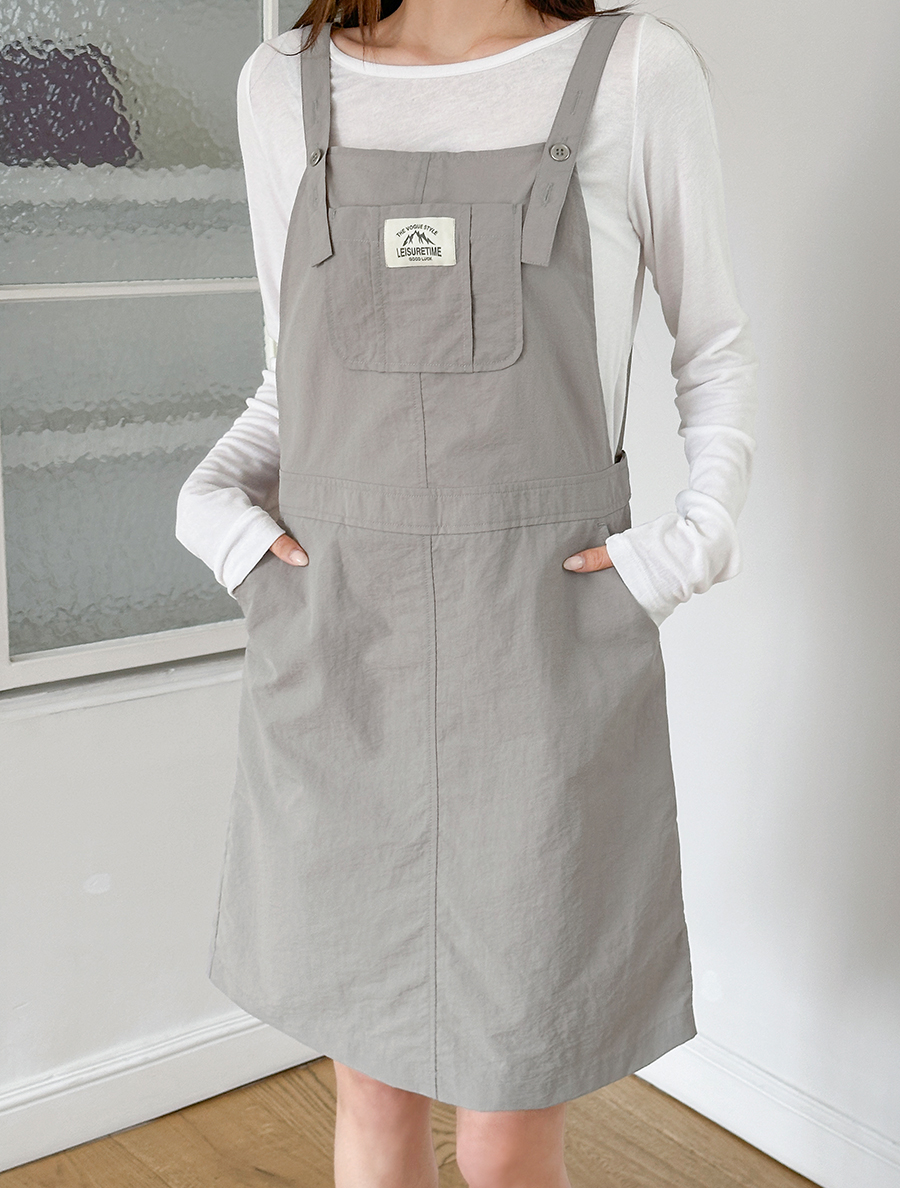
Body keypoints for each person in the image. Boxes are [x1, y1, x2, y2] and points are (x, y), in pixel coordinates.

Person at [176, 0, 758, 1184]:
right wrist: (210, 508)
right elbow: (289, 377)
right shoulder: (280, 86)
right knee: (371, 1090)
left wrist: (691, 548)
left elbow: (714, 349)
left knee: (510, 1113)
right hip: (343, 643)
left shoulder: (633, 72)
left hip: (539, 642)